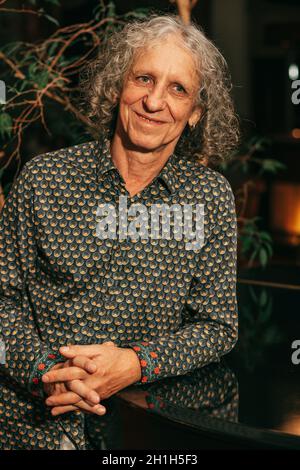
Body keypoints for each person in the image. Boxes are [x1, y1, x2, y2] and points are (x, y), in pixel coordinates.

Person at [0, 14, 239, 450]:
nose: (154, 102)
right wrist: (44, 374)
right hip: (29, 428)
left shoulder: (209, 197)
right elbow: (3, 301)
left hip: (146, 433)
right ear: (116, 88)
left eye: (177, 89)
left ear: (194, 114)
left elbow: (217, 326)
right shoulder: (42, 180)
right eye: (144, 78)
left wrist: (135, 363)